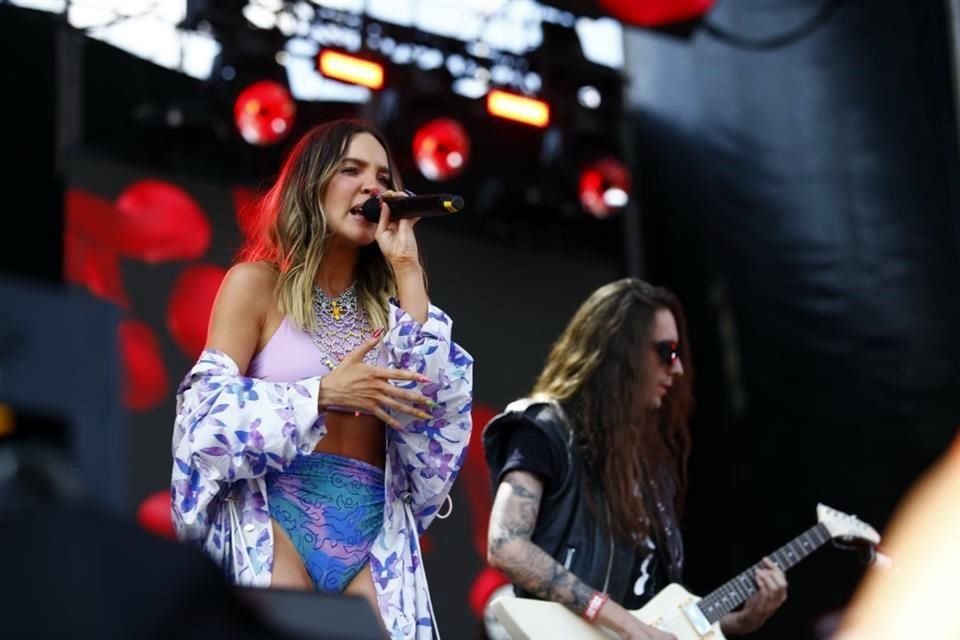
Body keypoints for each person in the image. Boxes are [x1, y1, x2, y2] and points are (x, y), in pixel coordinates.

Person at [170, 118, 474, 640]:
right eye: (351, 170)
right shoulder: (256, 286)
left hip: (372, 532)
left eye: (382, 176)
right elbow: (203, 419)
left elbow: (435, 424)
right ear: (311, 185)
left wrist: (406, 269)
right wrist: (322, 393)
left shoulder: (393, 312)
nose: (371, 187)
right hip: (276, 517)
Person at [483, 278, 786, 640]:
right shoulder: (545, 428)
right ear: (621, 353)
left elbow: (656, 618)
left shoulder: (651, 466)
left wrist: (740, 624)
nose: (677, 370)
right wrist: (621, 622)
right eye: (666, 352)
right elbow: (506, 546)